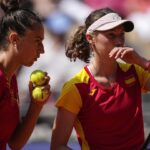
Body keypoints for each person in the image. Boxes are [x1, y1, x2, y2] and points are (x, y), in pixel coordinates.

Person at [50, 7, 150, 150]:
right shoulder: (76, 88)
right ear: (90, 38)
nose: (118, 41)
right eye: (111, 35)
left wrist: (143, 62)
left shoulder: (136, 71)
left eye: (121, 34)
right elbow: (57, 146)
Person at [0, 0, 51, 150]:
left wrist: (36, 105)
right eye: (37, 41)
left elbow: (15, 143)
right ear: (14, 39)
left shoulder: (11, 78)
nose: (42, 50)